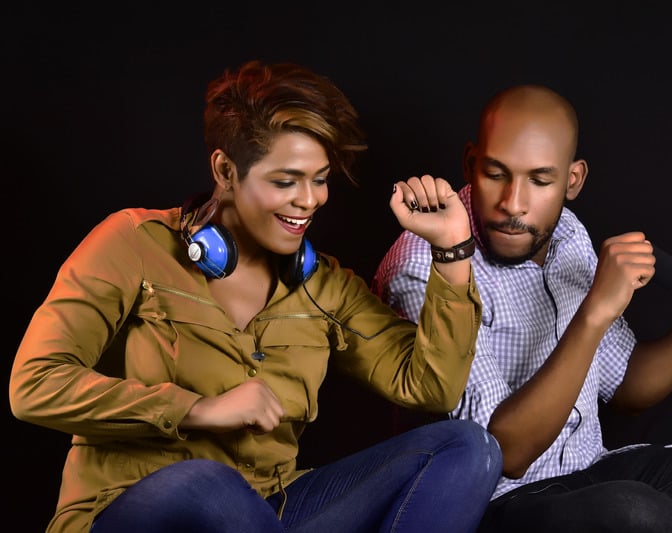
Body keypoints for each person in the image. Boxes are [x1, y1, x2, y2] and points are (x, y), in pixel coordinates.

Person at [9, 59, 503, 533]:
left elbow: (429, 387)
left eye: (320, 179)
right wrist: (196, 409)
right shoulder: (132, 244)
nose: (309, 201)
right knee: (209, 484)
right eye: (286, 181)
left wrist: (453, 251)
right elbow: (33, 385)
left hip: (270, 510)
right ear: (226, 172)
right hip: (128, 509)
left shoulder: (324, 285)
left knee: (467, 447)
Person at [372, 84, 672, 532]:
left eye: (540, 180)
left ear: (572, 180)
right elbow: (505, 455)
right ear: (470, 163)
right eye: (496, 174)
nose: (513, 204)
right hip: (490, 510)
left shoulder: (566, 235)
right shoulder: (425, 267)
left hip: (592, 479)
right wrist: (596, 310)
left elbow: (628, 387)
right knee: (633, 510)